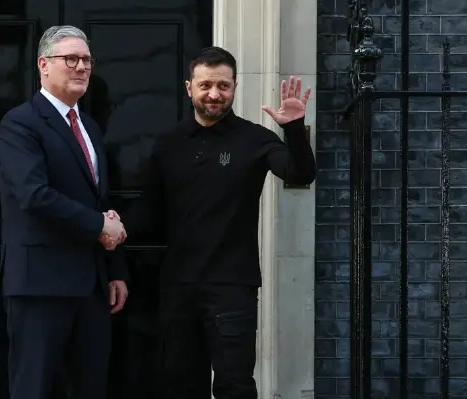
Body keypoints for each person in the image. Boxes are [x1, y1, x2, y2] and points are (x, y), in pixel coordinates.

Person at [111, 46, 316, 399]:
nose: (214, 94)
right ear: (189, 87)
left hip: (233, 286)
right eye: (206, 85)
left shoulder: (255, 139)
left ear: (234, 87)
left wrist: (294, 130)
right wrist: (111, 228)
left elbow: (300, 172)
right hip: (178, 286)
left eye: (223, 85)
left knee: (234, 386)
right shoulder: (169, 145)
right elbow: (149, 212)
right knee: (179, 383)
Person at [0, 25, 129, 399]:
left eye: (86, 60)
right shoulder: (20, 123)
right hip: (40, 285)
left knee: (89, 388)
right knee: (34, 388)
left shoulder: (88, 126)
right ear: (44, 65)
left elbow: (100, 201)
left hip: (92, 285)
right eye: (70, 59)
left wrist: (115, 270)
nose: (81, 67)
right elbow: (34, 195)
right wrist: (99, 225)